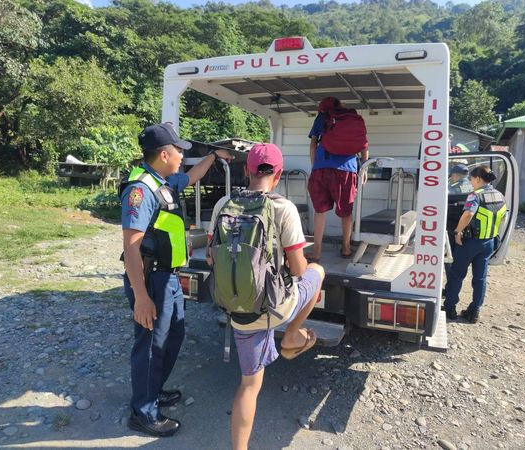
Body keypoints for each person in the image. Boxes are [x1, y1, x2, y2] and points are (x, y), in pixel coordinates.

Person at [206, 143, 325, 450]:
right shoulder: (283, 208)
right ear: (279, 174)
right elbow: (299, 269)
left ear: (246, 171)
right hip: (276, 306)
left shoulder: (222, 205)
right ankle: (292, 336)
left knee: (249, 385)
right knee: (317, 271)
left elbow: (211, 258)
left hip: (239, 311)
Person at [121, 123, 233, 437]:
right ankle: (142, 412)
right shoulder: (140, 191)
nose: (183, 155)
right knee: (152, 345)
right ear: (164, 154)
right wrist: (141, 297)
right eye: (179, 150)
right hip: (150, 279)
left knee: (174, 336)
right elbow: (130, 248)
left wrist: (213, 156)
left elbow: (192, 175)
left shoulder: (164, 181)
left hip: (168, 278)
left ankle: (152, 391)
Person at [306, 97, 368, 262]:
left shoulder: (322, 117)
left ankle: (317, 251)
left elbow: (313, 144)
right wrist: (364, 167)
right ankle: (346, 248)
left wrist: (315, 167)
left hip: (322, 167)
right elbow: (364, 145)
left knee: (320, 211)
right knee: (346, 212)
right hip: (347, 169)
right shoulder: (354, 119)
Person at [443, 166, 507, 324]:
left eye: (471, 179)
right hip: (489, 242)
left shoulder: (475, 195)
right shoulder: (499, 194)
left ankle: (450, 308)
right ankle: (474, 312)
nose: (470, 183)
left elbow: (469, 214)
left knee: (456, 274)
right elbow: (503, 217)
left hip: (470, 243)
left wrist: (457, 232)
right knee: (480, 278)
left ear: (478, 179)